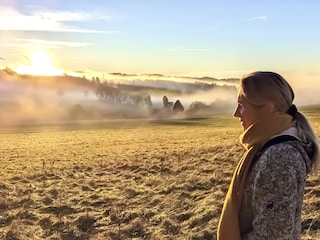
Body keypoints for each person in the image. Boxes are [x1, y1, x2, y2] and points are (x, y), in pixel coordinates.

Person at [217, 71, 319, 240]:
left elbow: (274, 235)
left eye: (241, 105)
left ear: (267, 108)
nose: (236, 113)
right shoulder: (272, 148)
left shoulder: (279, 157)